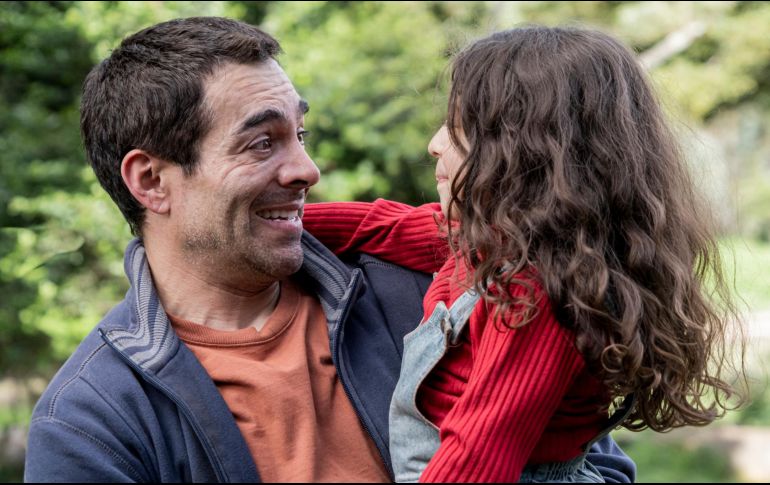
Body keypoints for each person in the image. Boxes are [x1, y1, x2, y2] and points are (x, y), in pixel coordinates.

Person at [24, 18, 635, 483]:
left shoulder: (435, 289)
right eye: (262, 143)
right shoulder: (92, 421)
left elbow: (587, 463)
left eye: (301, 134)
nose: (308, 169)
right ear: (151, 181)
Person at [302, 26, 745, 482]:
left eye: (457, 129)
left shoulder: (535, 295)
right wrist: (279, 221)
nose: (434, 143)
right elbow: (380, 226)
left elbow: (476, 459)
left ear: (522, 155)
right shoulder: (495, 243)